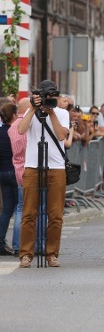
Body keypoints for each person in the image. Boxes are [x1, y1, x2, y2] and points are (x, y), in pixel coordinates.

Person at [18, 80, 70, 268]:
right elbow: (21, 130)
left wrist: (52, 113)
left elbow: (62, 135)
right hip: (32, 166)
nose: (50, 100)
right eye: (47, 97)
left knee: (55, 214)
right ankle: (25, 254)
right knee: (29, 213)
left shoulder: (62, 112)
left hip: (56, 168)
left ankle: (51, 254)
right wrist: (32, 108)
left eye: (53, 97)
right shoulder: (31, 111)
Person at [9, 98, 30, 255]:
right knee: (37, 209)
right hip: (30, 170)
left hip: (18, 170)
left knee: (20, 209)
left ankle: (17, 245)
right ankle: (33, 244)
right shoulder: (29, 125)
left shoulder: (12, 127)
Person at [0, 102, 18, 255]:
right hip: (15, 172)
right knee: (20, 209)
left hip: (3, 173)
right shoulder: (15, 131)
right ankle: (19, 245)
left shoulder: (0, 132)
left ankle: (0, 242)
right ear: (13, 115)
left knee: (6, 210)